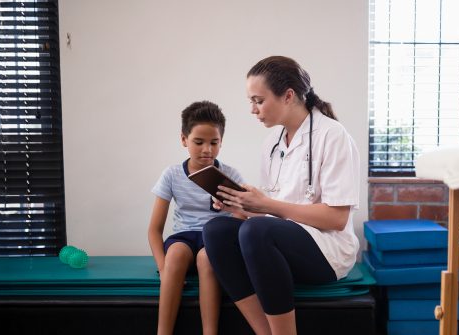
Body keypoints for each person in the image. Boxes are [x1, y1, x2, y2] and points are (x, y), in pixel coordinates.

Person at [204, 56, 361, 335]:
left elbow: (336, 219)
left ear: (288, 96)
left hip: (327, 251)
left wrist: (265, 205)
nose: (253, 110)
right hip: (281, 242)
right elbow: (271, 214)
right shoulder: (272, 144)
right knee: (216, 230)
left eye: (258, 100)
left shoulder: (333, 136)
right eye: (250, 102)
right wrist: (239, 205)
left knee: (257, 230)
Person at [148, 101, 246, 335]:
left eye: (214, 143)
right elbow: (154, 230)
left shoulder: (231, 174)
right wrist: (163, 269)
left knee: (207, 258)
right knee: (175, 255)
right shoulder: (172, 174)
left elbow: (243, 219)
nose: (207, 150)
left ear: (222, 141)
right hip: (184, 237)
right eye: (199, 142)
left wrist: (232, 207)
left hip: (216, 238)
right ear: (184, 140)